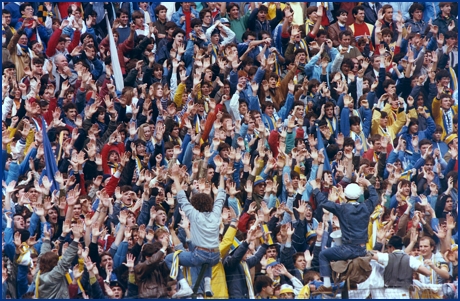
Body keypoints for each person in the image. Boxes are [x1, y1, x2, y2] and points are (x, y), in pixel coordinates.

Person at [310, 175, 379, 295]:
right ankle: (350, 281)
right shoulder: (366, 207)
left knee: (323, 255)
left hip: (348, 249)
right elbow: (374, 197)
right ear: (358, 196)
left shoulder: (342, 208)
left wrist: (316, 189)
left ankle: (326, 285)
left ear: (345, 196)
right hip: (363, 249)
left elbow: (323, 202)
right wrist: (368, 183)